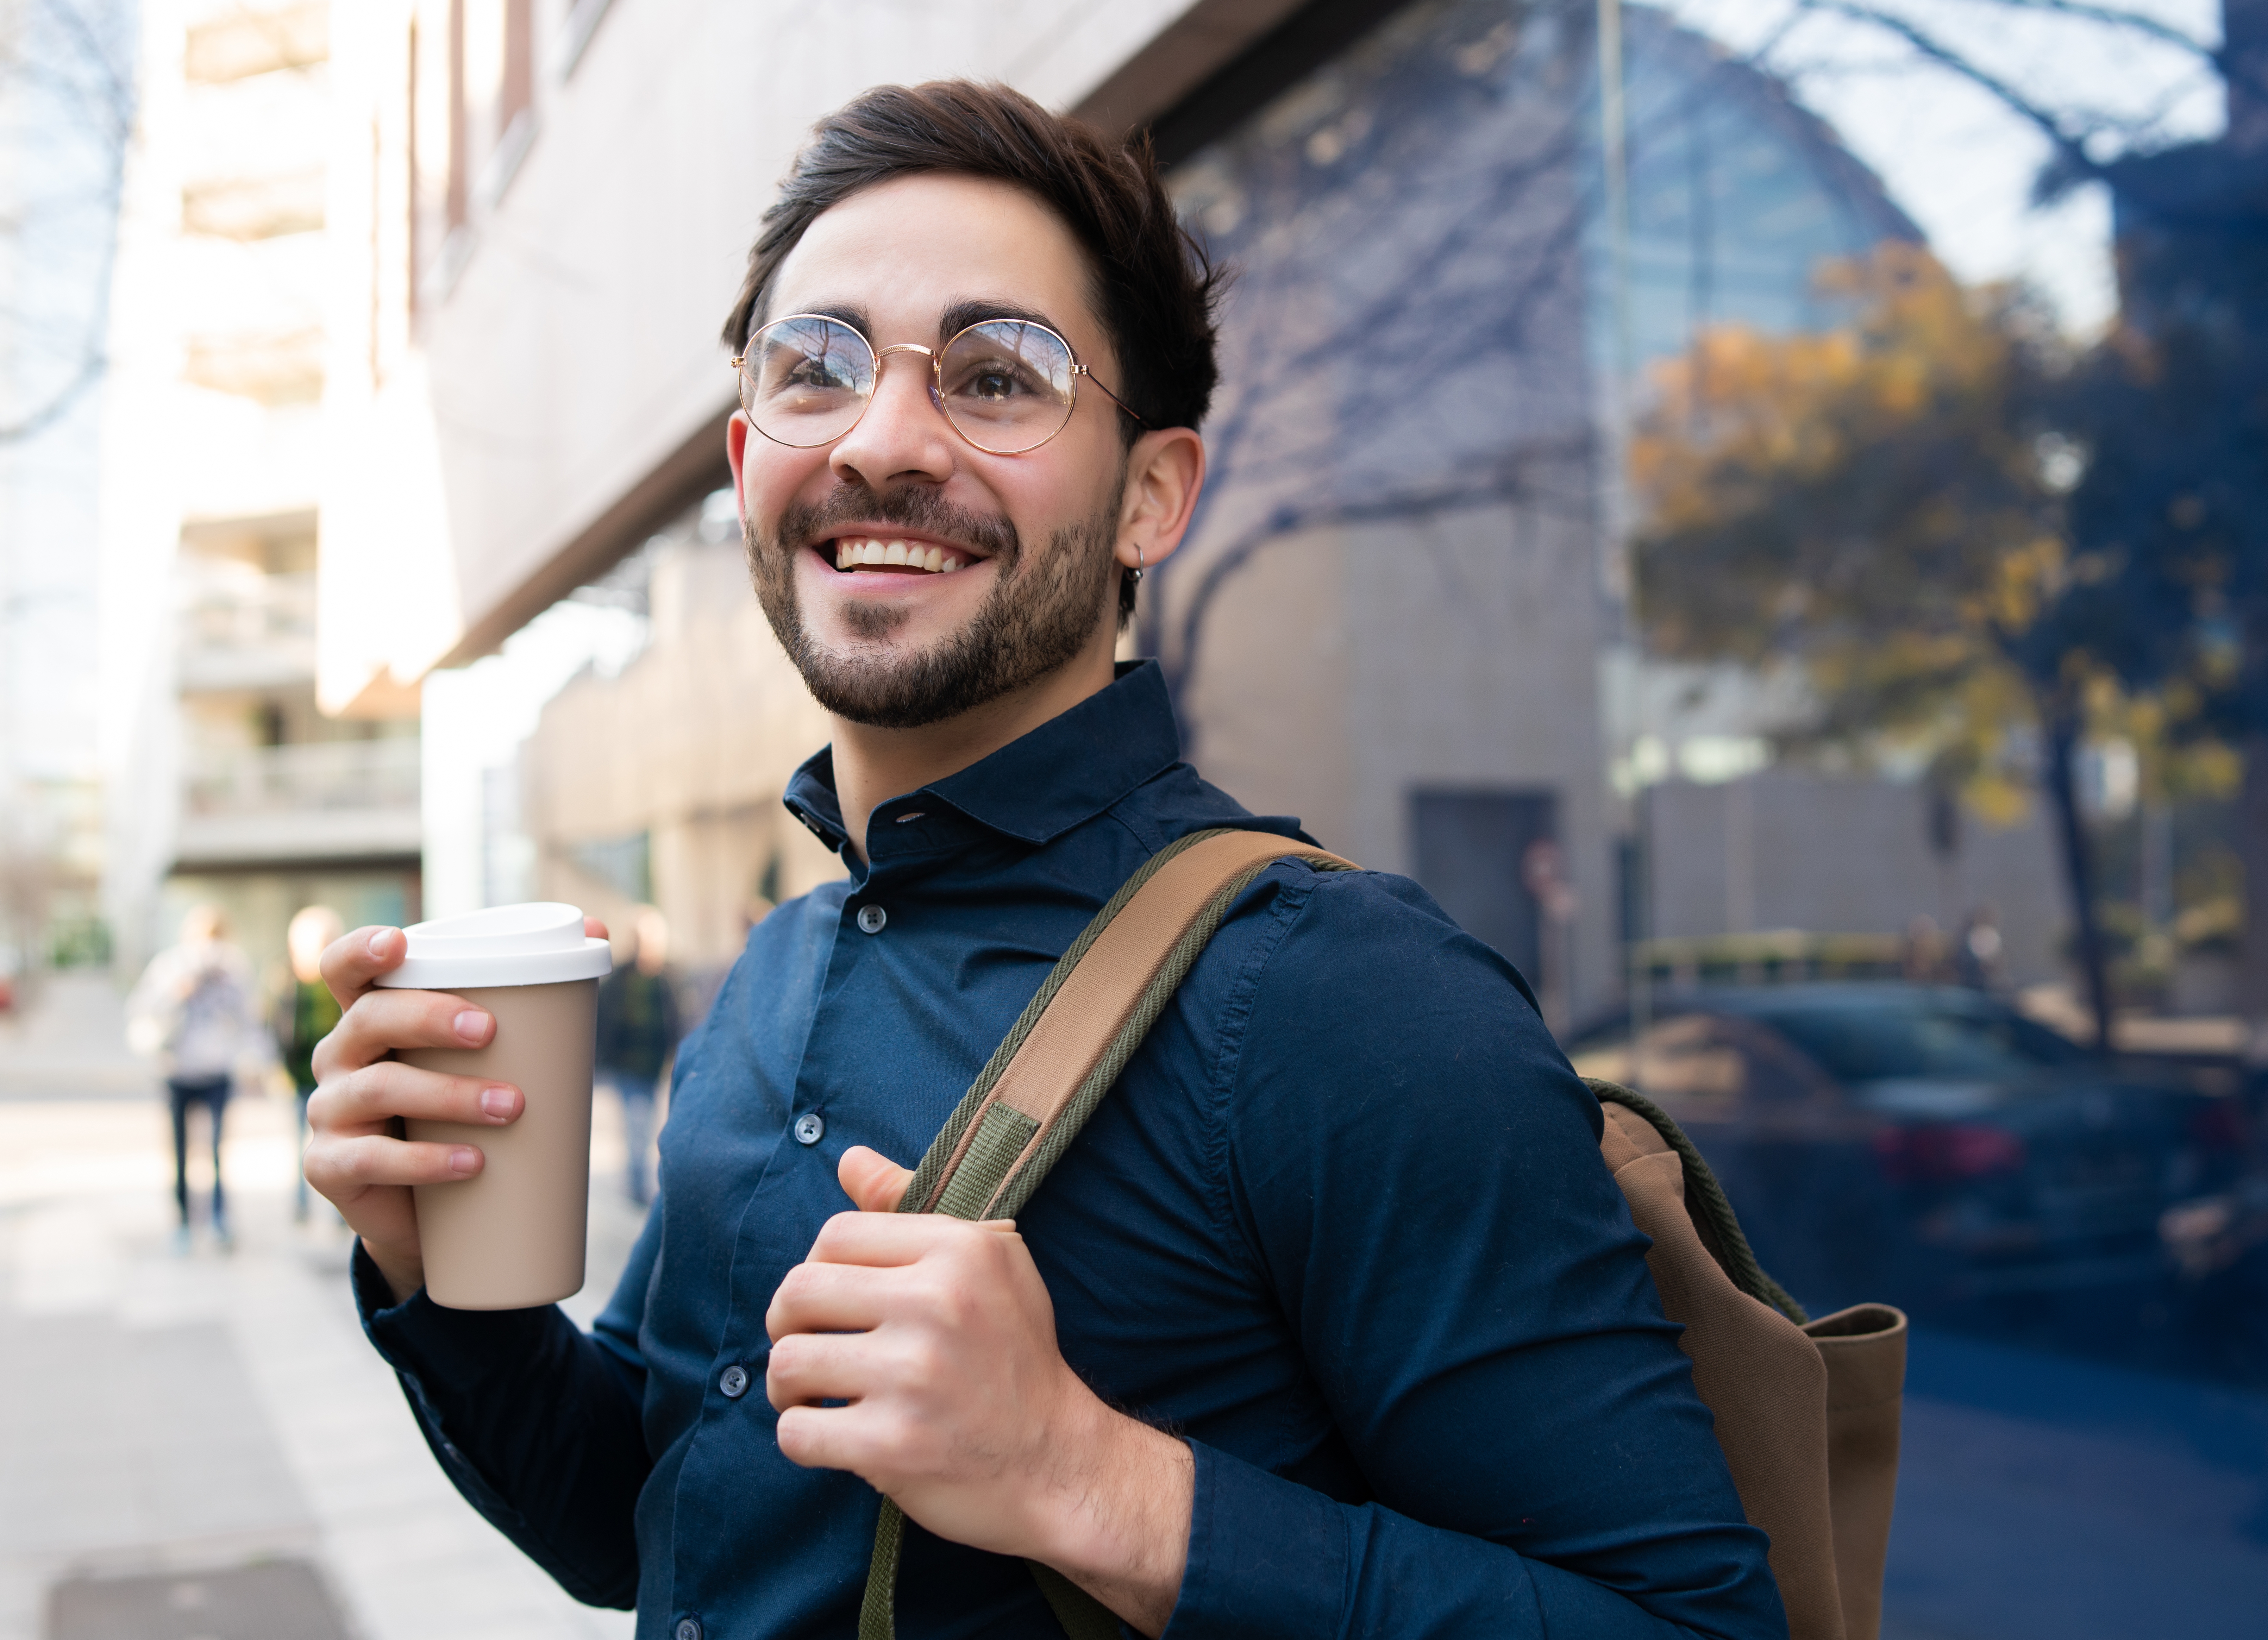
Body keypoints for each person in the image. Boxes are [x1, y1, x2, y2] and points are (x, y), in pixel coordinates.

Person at [304, 83, 1784, 1640]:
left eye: (996, 376)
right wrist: (440, 1283)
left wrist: (1096, 1481)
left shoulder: (1341, 999)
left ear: (1150, 495)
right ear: (749, 459)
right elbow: (650, 1522)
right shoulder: (772, 980)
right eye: (816, 369)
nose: (881, 439)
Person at [128, 903, 269, 1250]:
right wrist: (178, 992)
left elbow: (249, 1020)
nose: (209, 948)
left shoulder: (233, 971)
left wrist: (256, 1061)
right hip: (177, 1071)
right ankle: (183, 1223)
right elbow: (142, 1009)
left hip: (218, 1071)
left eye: (216, 939)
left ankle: (220, 1220)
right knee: (180, 1153)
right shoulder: (170, 967)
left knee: (219, 1152)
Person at [595, 905, 680, 1206]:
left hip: (653, 1067)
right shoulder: (621, 978)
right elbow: (603, 1016)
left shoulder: (666, 978)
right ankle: (636, 1185)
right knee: (637, 1124)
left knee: (647, 1125)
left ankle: (639, 1181)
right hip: (626, 1066)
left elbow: (676, 1022)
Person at [280, 905, 346, 1223]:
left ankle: (340, 1208)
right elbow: (279, 1031)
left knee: (340, 1143)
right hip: (302, 1077)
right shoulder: (289, 984)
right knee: (301, 1147)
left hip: (335, 1078)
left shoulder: (339, 985)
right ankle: (301, 1202)